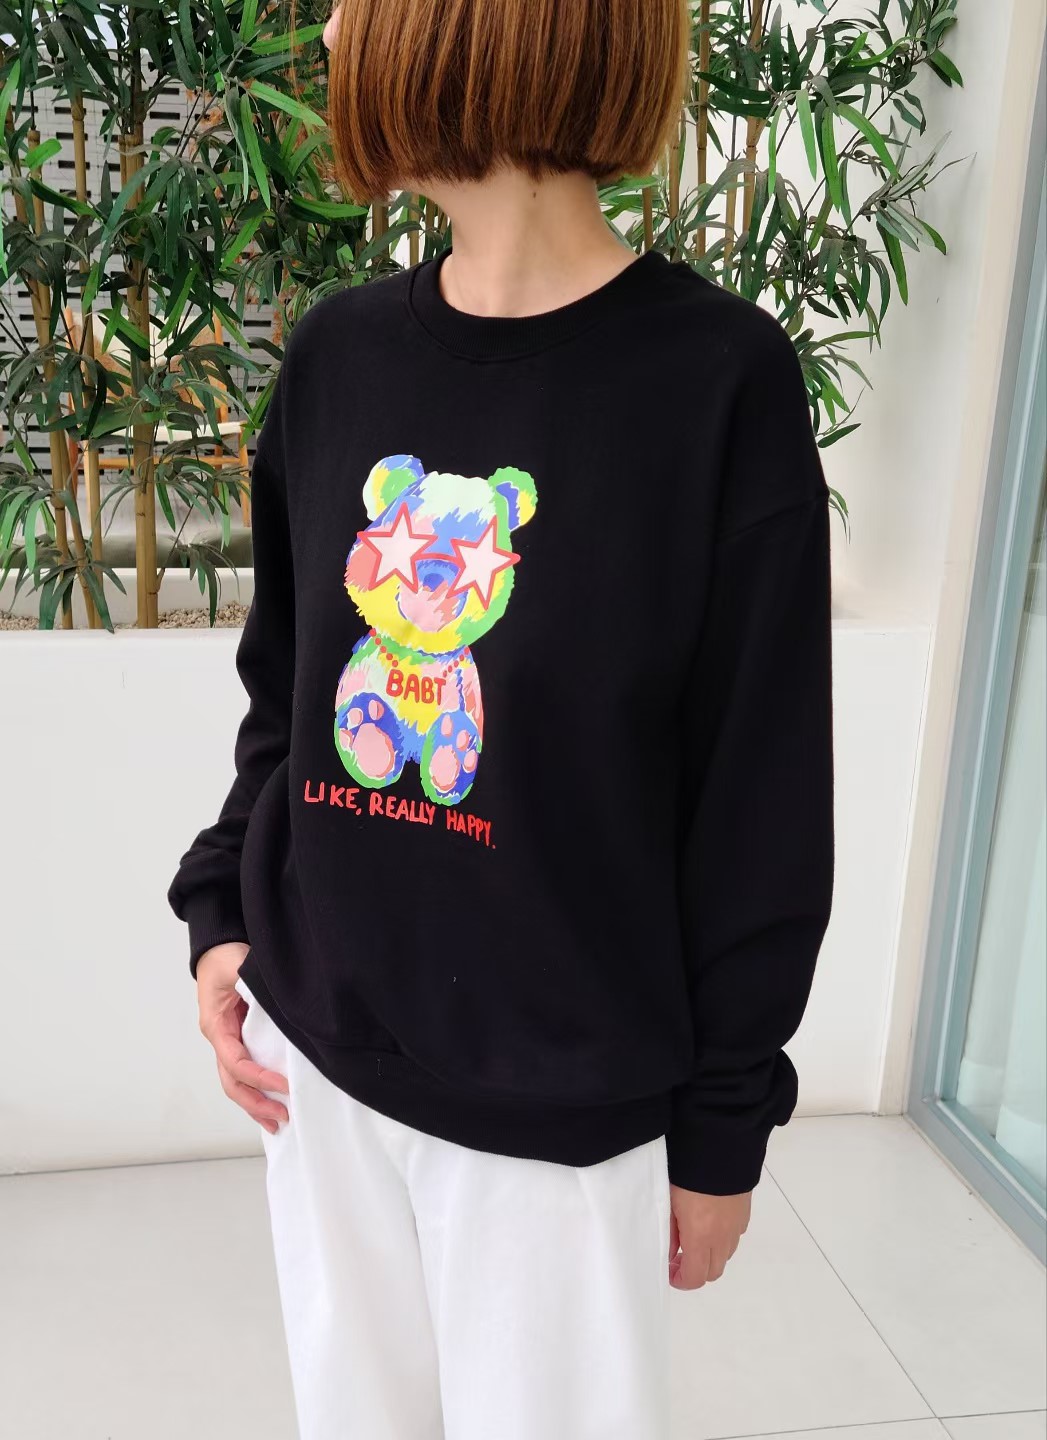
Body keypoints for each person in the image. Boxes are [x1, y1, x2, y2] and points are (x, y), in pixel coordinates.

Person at [167, 1, 835, 1435]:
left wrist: (724, 1123)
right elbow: (287, 688)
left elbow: (761, 799)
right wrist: (222, 906)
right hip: (319, 1059)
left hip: (560, 1114)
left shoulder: (717, 383)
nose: (329, 32)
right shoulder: (339, 356)